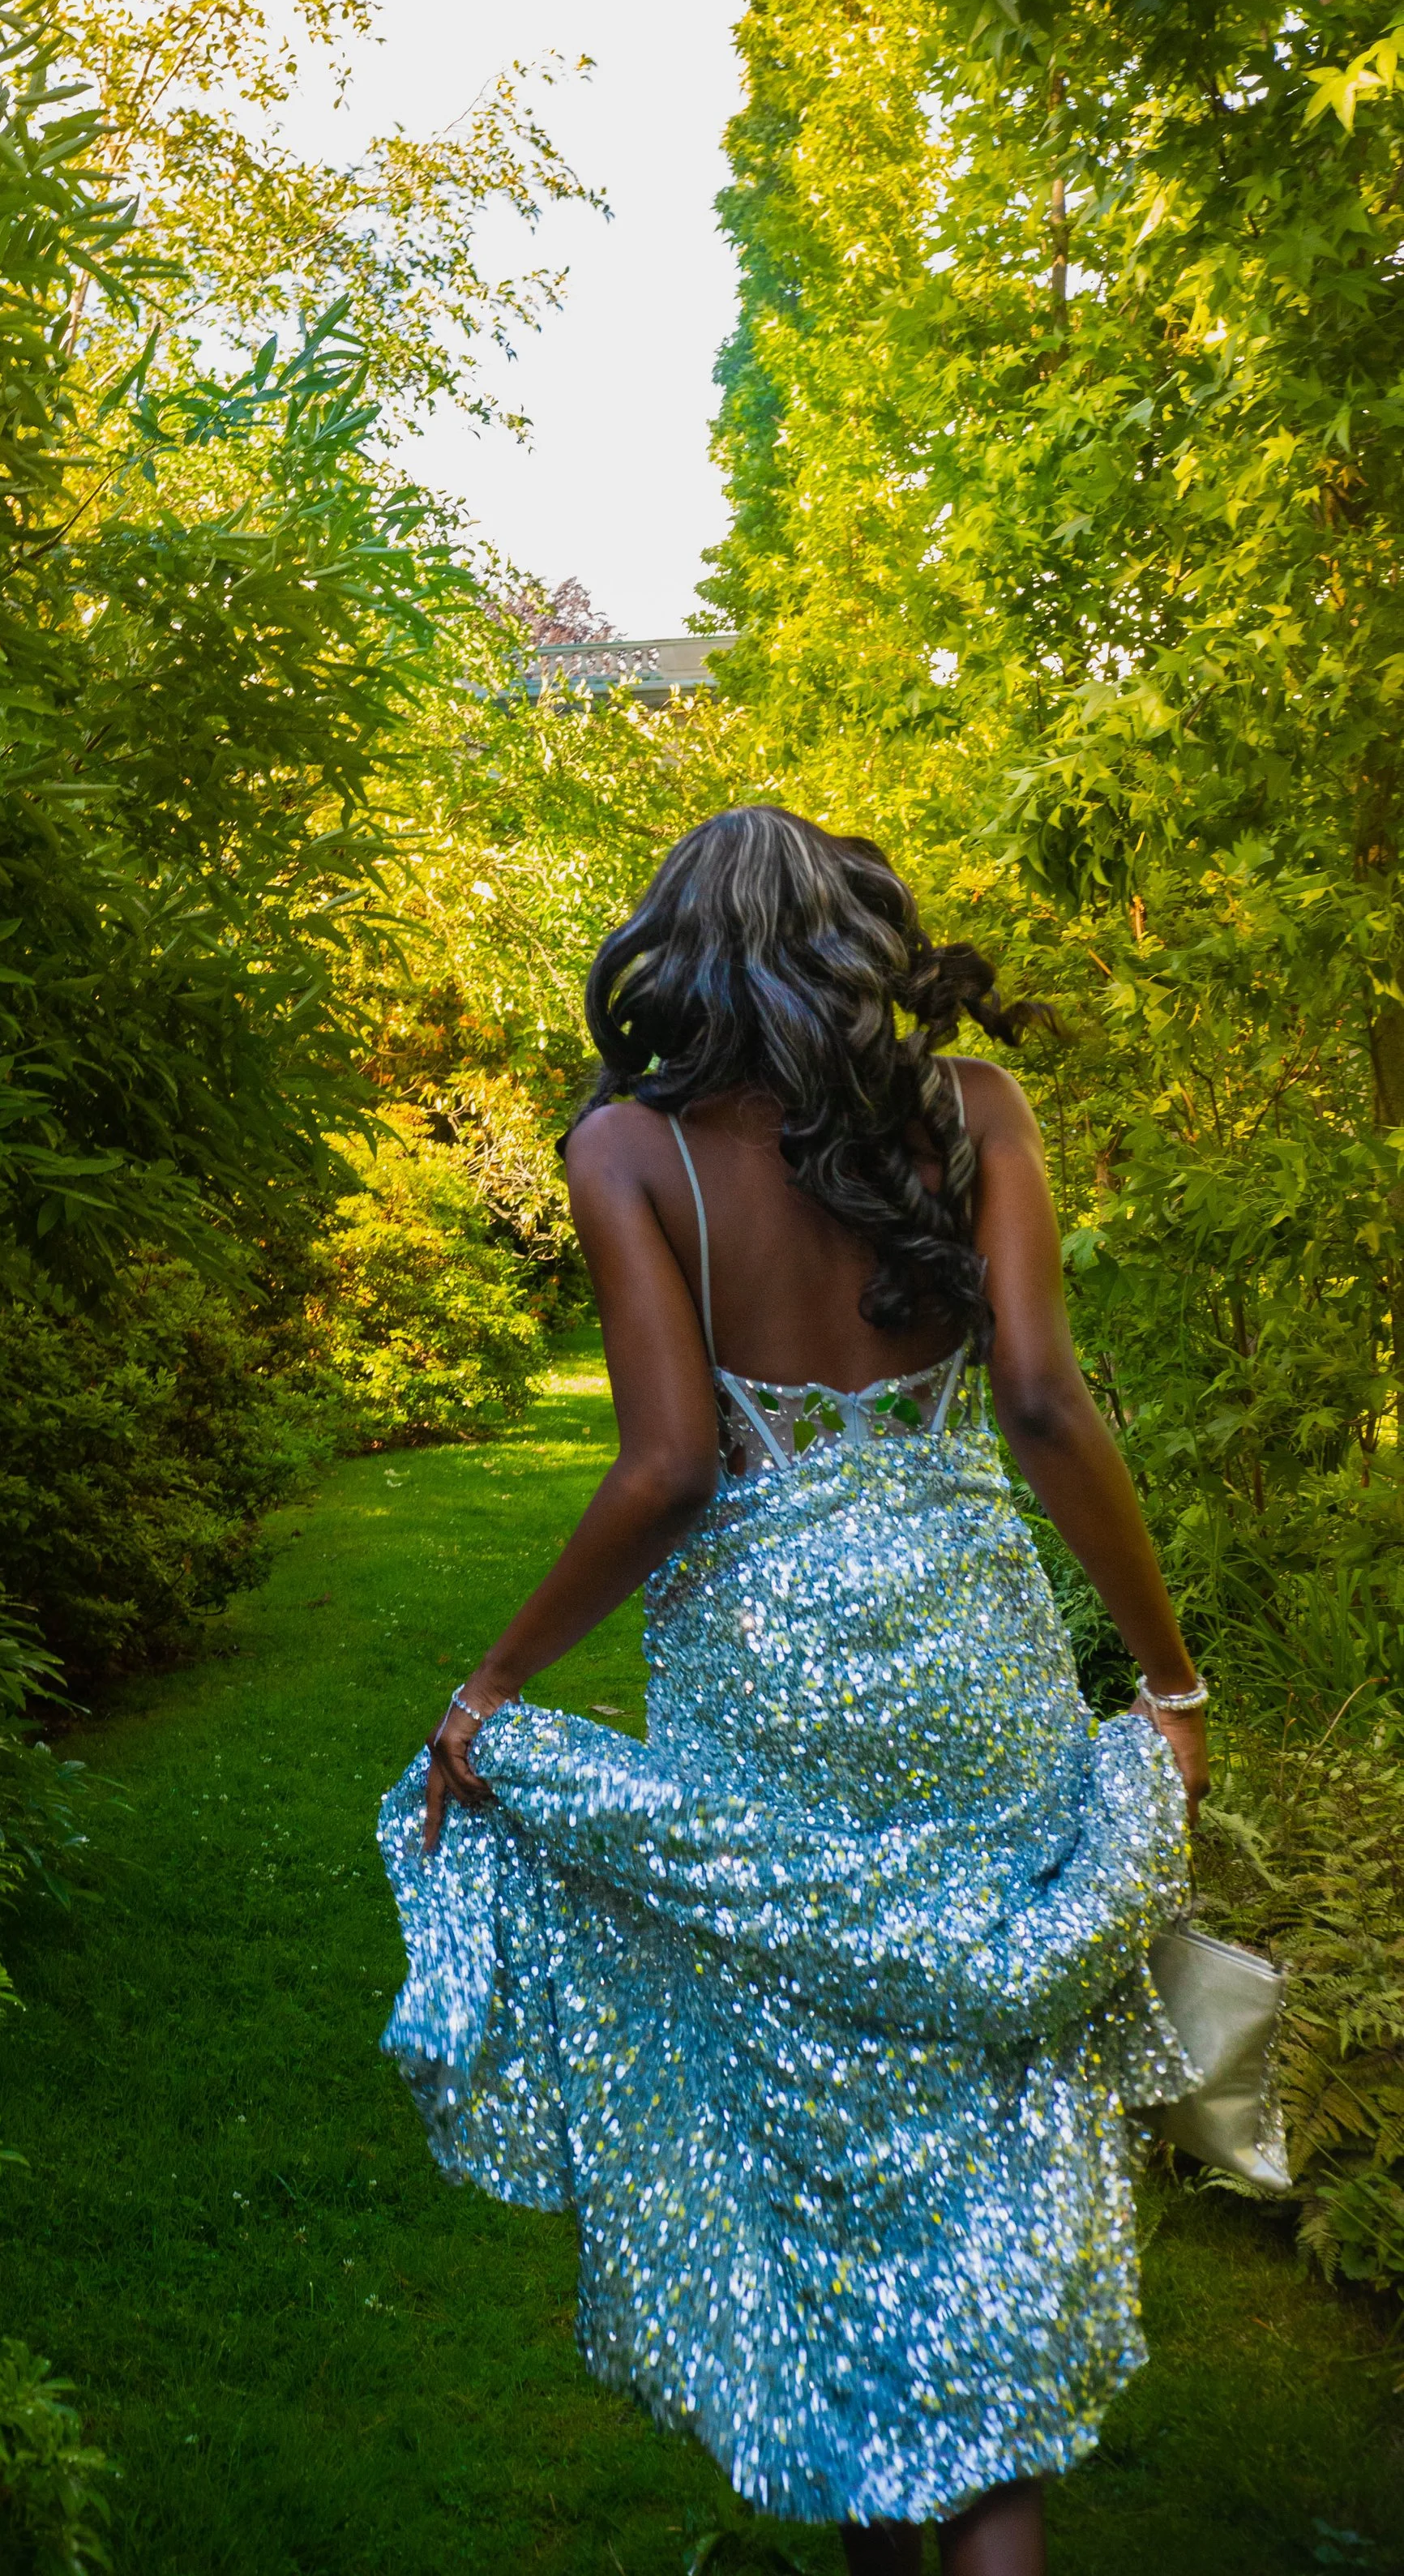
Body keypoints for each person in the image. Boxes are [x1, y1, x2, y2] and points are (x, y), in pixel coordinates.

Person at [378, 806, 1207, 2574]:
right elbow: (1046, 1408)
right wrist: (1165, 1674)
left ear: (668, 956)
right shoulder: (969, 1117)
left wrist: (491, 1682)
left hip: (767, 1683)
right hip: (971, 1649)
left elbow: (668, 1467)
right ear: (853, 940)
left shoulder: (631, 1148)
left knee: (814, 2119)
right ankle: (996, 2487)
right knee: (986, 2099)